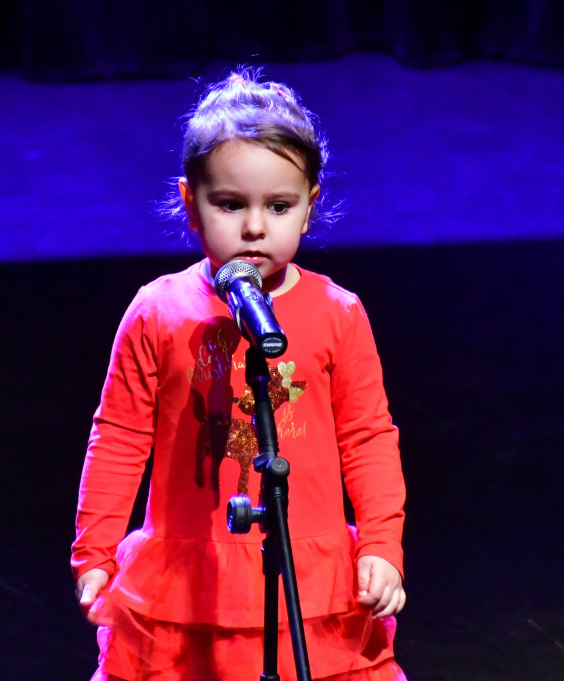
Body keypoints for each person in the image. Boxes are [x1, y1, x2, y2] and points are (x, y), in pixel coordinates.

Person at [71, 68, 408, 681]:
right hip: (187, 579)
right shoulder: (157, 311)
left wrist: (382, 546)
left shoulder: (338, 313)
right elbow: (118, 437)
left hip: (309, 579)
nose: (255, 227)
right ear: (190, 203)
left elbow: (368, 438)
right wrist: (94, 553)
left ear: (310, 207)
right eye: (230, 204)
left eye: (279, 206)